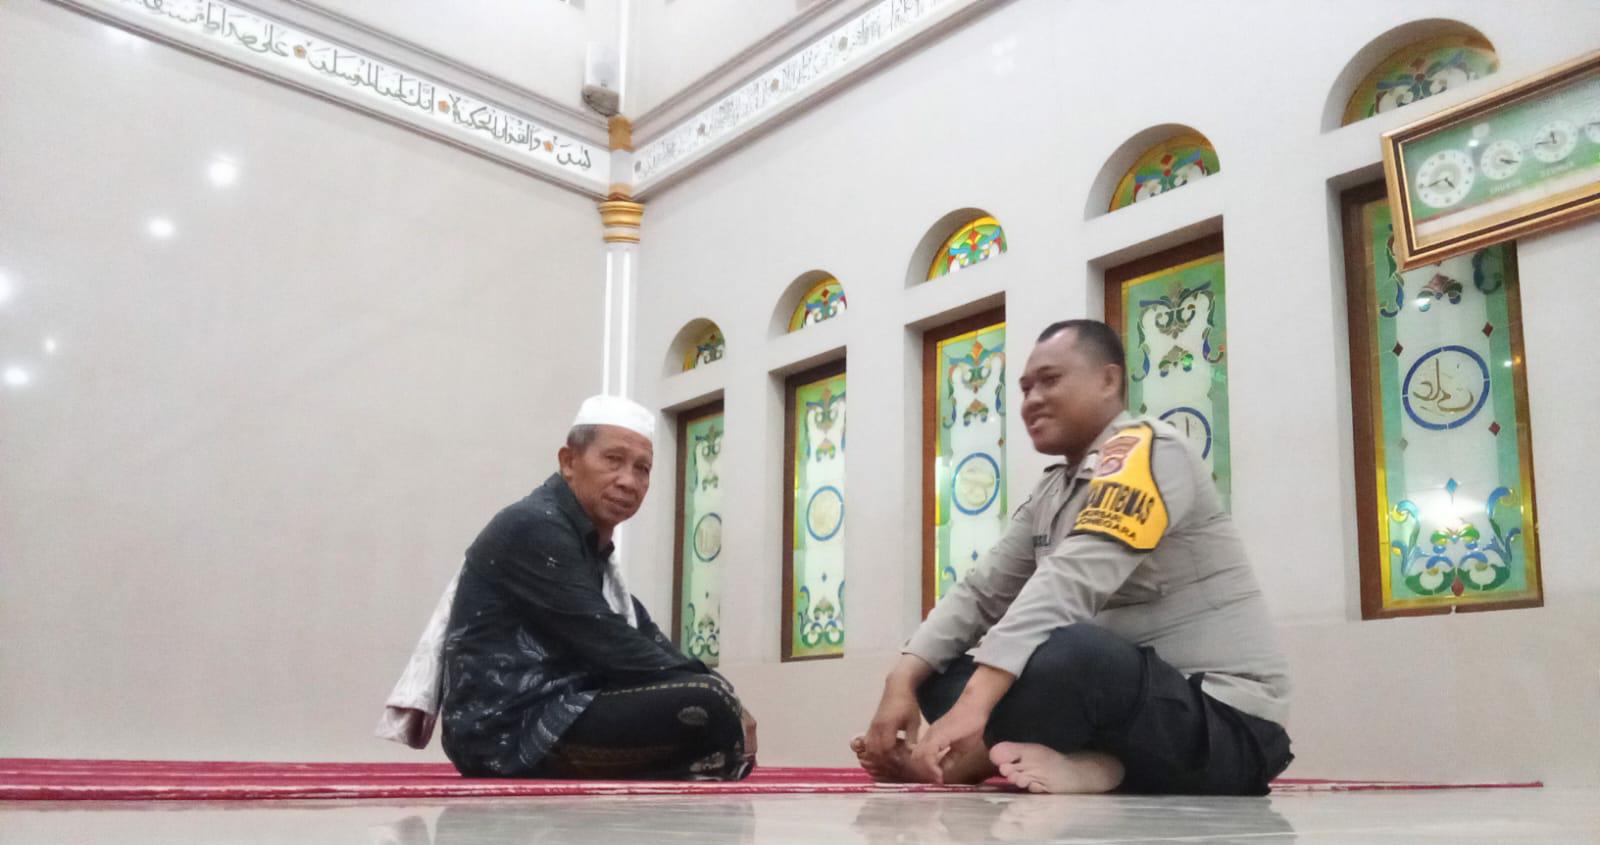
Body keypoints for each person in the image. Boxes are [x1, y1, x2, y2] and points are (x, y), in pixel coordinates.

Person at [854, 319, 1292, 795]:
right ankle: (1082, 763)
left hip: (1224, 721)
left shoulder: (1151, 451)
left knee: (1074, 653)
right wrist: (901, 680)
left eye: (1049, 380)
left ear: (1108, 380)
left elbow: (1069, 581)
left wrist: (975, 704)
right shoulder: (1053, 491)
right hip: (1114, 706)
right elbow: (980, 594)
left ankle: (1065, 766)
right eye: (1025, 388)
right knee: (939, 667)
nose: (1032, 400)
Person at [439, 394, 756, 779]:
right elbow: (610, 643)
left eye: (642, 469)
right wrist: (721, 695)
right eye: (613, 460)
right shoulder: (535, 526)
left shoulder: (588, 546)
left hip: (567, 708)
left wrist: (723, 689)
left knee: (713, 700)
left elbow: (646, 639)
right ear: (569, 462)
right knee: (708, 703)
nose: (628, 481)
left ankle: (684, 764)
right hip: (509, 730)